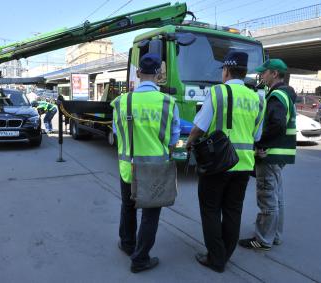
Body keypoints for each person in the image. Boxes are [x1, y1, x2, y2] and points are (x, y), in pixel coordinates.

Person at [185, 51, 264, 273]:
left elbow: (200, 126)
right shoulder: (257, 98)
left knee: (210, 209)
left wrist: (189, 143)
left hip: (217, 164)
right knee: (233, 210)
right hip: (244, 164)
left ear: (226, 71)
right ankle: (225, 253)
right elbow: (256, 136)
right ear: (245, 72)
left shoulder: (217, 92)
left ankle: (216, 258)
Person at [111, 53, 180, 273]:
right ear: (159, 75)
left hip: (128, 167)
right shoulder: (169, 103)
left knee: (128, 206)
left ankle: (127, 244)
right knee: (150, 215)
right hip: (155, 169)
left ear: (139, 73)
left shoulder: (123, 101)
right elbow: (173, 138)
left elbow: (116, 132)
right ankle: (140, 259)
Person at [239, 59, 296, 251]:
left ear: (274, 73)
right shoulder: (285, 94)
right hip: (280, 155)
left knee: (267, 199)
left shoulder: (276, 96)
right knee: (277, 198)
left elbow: (277, 124)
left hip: (270, 156)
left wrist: (262, 144)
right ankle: (275, 236)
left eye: (264, 73)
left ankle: (262, 240)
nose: (261, 76)